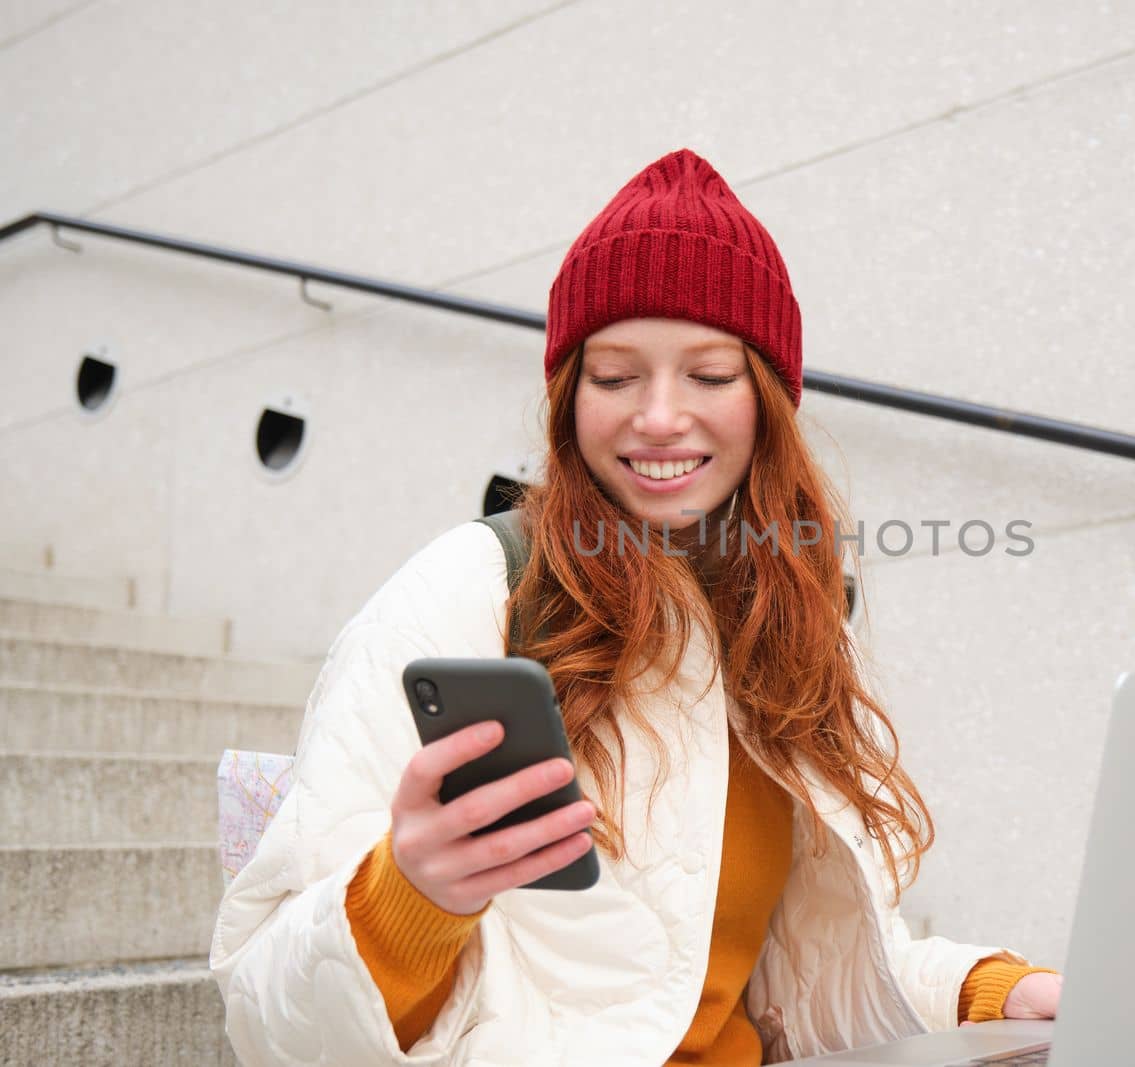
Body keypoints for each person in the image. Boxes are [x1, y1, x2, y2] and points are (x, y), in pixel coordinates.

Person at [211, 147, 1062, 1066]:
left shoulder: (785, 617)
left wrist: (998, 993)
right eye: (616, 377)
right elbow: (266, 1019)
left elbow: (804, 970)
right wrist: (408, 897)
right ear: (570, 396)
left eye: (709, 374)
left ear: (769, 399)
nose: (659, 417)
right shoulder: (471, 586)